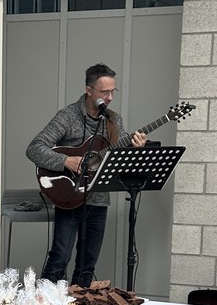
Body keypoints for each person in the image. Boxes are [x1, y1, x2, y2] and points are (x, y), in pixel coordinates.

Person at [26, 63, 147, 288]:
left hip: (98, 199)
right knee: (59, 259)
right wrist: (66, 160)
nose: (110, 97)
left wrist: (134, 148)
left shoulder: (113, 120)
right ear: (89, 90)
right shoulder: (68, 116)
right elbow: (34, 148)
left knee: (87, 265)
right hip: (69, 197)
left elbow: (118, 156)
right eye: (104, 92)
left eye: (113, 92)